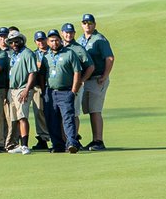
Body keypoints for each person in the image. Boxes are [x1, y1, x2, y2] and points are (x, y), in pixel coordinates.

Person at [43, 32, 84, 153]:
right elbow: (42, 74)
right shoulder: (46, 56)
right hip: (50, 92)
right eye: (51, 41)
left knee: (68, 118)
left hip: (66, 91)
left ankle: (71, 142)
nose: (54, 43)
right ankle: (57, 145)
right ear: (48, 42)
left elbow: (77, 72)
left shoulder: (69, 53)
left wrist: (74, 90)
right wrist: (43, 91)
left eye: (56, 40)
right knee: (52, 119)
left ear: (60, 40)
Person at [79, 13, 114, 151]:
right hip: (85, 80)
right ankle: (93, 140)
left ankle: (98, 141)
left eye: (90, 23)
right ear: (81, 24)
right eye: (85, 23)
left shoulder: (100, 39)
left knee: (95, 110)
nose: (87, 25)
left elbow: (110, 58)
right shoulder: (81, 39)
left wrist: (104, 76)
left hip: (97, 78)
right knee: (88, 110)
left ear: (95, 24)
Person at [58, 22, 94, 144]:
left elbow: (90, 66)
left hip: (75, 86)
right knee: (62, 114)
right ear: (62, 33)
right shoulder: (58, 46)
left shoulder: (78, 48)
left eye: (71, 32)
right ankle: (64, 140)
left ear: (74, 33)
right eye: (66, 32)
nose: (69, 35)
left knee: (73, 113)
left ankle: (72, 140)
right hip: (61, 88)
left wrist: (81, 81)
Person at [5, 30, 39, 155]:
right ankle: (17, 144)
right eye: (11, 42)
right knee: (14, 118)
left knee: (22, 116)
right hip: (12, 89)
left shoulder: (27, 53)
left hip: (22, 88)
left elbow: (32, 72)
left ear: (21, 41)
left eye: (16, 41)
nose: (14, 43)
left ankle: (25, 145)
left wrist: (26, 89)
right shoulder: (13, 54)